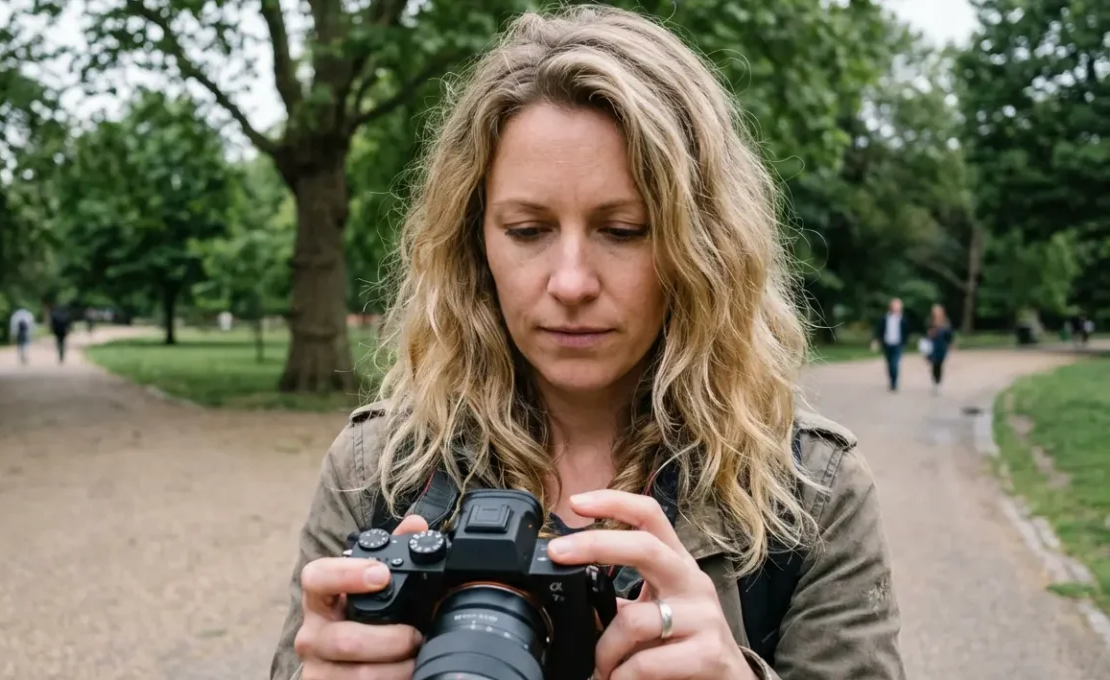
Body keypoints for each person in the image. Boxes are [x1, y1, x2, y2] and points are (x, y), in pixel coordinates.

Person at [269, 7, 903, 680]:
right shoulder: (380, 471)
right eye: (527, 230)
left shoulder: (810, 492)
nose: (571, 282)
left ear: (704, 247)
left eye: (623, 229)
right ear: (474, 243)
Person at [871, 298, 911, 392]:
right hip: (887, 343)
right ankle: (891, 379)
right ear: (891, 307)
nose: (896, 309)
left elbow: (906, 332)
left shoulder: (903, 319)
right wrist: (878, 340)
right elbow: (879, 330)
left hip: (898, 344)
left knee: (895, 364)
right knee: (889, 364)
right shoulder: (885, 318)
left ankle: (894, 383)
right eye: (895, 306)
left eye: (898, 307)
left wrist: (904, 342)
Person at [925, 304, 954, 396]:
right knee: (934, 365)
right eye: (935, 313)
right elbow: (926, 334)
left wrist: (950, 344)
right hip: (932, 347)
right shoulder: (930, 323)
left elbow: (949, 335)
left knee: (939, 365)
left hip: (942, 347)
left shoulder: (946, 323)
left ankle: (939, 382)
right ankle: (935, 382)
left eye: (938, 312)